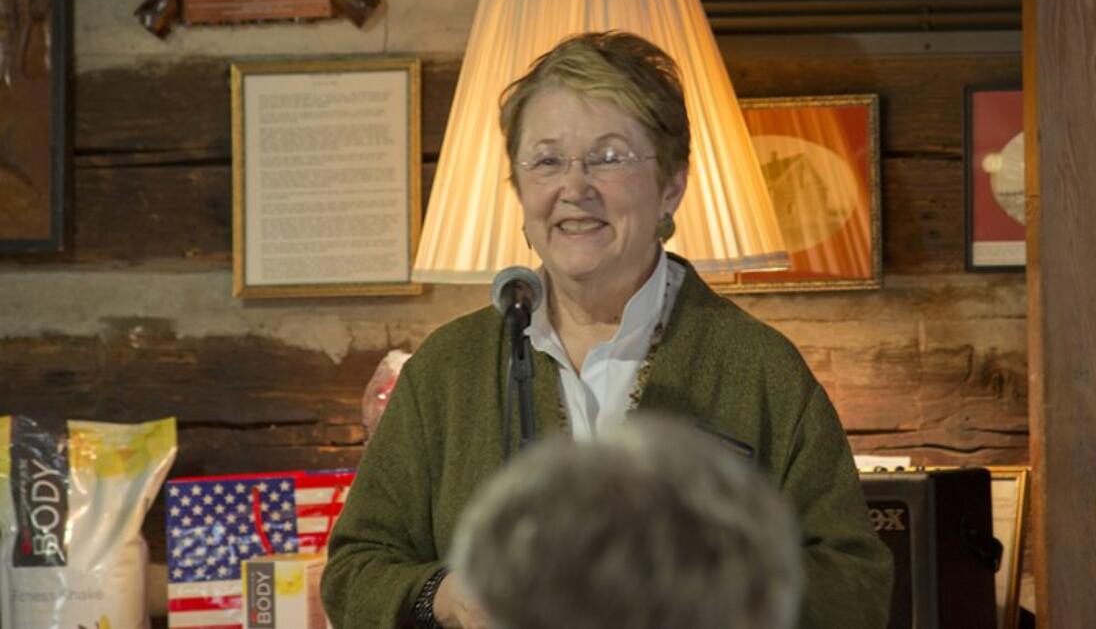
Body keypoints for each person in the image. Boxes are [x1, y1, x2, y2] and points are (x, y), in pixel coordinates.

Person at [321, 31, 893, 629]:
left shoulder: (760, 369)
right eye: (547, 161)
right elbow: (354, 569)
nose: (574, 188)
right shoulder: (447, 368)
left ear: (671, 185)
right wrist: (447, 595)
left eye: (609, 157)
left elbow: (854, 583)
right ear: (520, 190)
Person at [447, 414, 805, 629]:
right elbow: (389, 543)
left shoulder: (760, 359)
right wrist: (447, 594)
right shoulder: (448, 363)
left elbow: (845, 566)